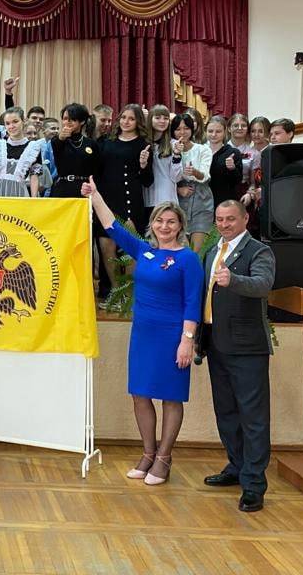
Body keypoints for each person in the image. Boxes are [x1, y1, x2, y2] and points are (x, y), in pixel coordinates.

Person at [82, 177, 203, 485]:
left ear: (180, 225)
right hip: (143, 336)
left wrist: (187, 341)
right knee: (140, 394)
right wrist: (95, 195)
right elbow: (112, 227)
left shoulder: (188, 259)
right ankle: (148, 454)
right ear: (153, 224)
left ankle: (164, 458)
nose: (164, 226)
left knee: (171, 398)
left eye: (171, 221)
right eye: (160, 221)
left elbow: (193, 302)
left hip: (173, 336)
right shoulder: (144, 251)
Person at [201, 200, 276, 513]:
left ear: (245, 219)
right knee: (226, 412)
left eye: (230, 219)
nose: (224, 224)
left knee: (253, 417)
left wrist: (234, 280)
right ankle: (237, 466)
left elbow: (263, 285)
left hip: (247, 348)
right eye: (219, 219)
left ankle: (254, 484)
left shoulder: (259, 251)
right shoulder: (211, 252)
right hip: (216, 344)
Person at [95, 104, 153, 299]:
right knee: (106, 247)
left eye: (131, 119)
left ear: (138, 122)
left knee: (130, 248)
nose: (126, 122)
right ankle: (116, 292)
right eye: (123, 117)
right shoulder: (106, 141)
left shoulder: (143, 144)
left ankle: (129, 293)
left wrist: (143, 165)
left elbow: (148, 181)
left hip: (130, 202)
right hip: (107, 200)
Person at [172, 113, 213, 252]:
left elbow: (204, 176)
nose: (182, 132)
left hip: (201, 198)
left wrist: (194, 172)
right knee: (181, 250)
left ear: (192, 129)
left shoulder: (203, 149)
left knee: (198, 250)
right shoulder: (169, 150)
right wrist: (178, 189)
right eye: (178, 129)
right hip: (178, 199)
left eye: (186, 128)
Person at [0, 107, 42, 197]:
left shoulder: (33, 148)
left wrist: (34, 199)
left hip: (19, 193)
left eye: (15, 121)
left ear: (23, 121)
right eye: (7, 123)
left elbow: (34, 176)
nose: (11, 126)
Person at [49, 103, 100, 199]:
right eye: (65, 119)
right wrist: (61, 137)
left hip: (84, 189)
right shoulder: (57, 140)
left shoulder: (91, 143)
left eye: (72, 119)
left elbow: (96, 171)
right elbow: (57, 143)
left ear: (82, 121)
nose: (68, 122)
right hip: (62, 188)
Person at [143, 104, 183, 216]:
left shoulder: (173, 144)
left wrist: (176, 155)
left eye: (166, 118)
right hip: (146, 199)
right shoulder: (142, 143)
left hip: (166, 198)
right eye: (157, 118)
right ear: (150, 119)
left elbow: (176, 177)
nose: (162, 121)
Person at [206, 115, 244, 207]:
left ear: (225, 132)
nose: (214, 134)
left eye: (218, 131)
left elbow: (238, 180)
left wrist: (232, 168)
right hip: (203, 202)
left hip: (225, 202)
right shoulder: (200, 151)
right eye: (210, 131)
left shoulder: (233, 152)